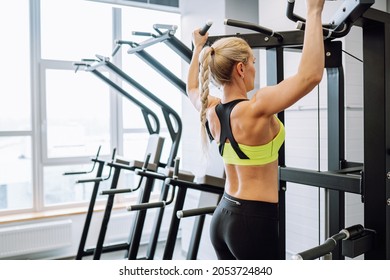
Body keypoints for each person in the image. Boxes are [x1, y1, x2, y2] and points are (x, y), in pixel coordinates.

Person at [187, 0, 325, 260]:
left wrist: (197, 49)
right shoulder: (256, 107)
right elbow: (310, 77)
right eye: (252, 62)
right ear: (240, 68)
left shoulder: (211, 109)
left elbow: (192, 89)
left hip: (223, 216)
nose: (253, 68)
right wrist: (314, 10)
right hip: (253, 222)